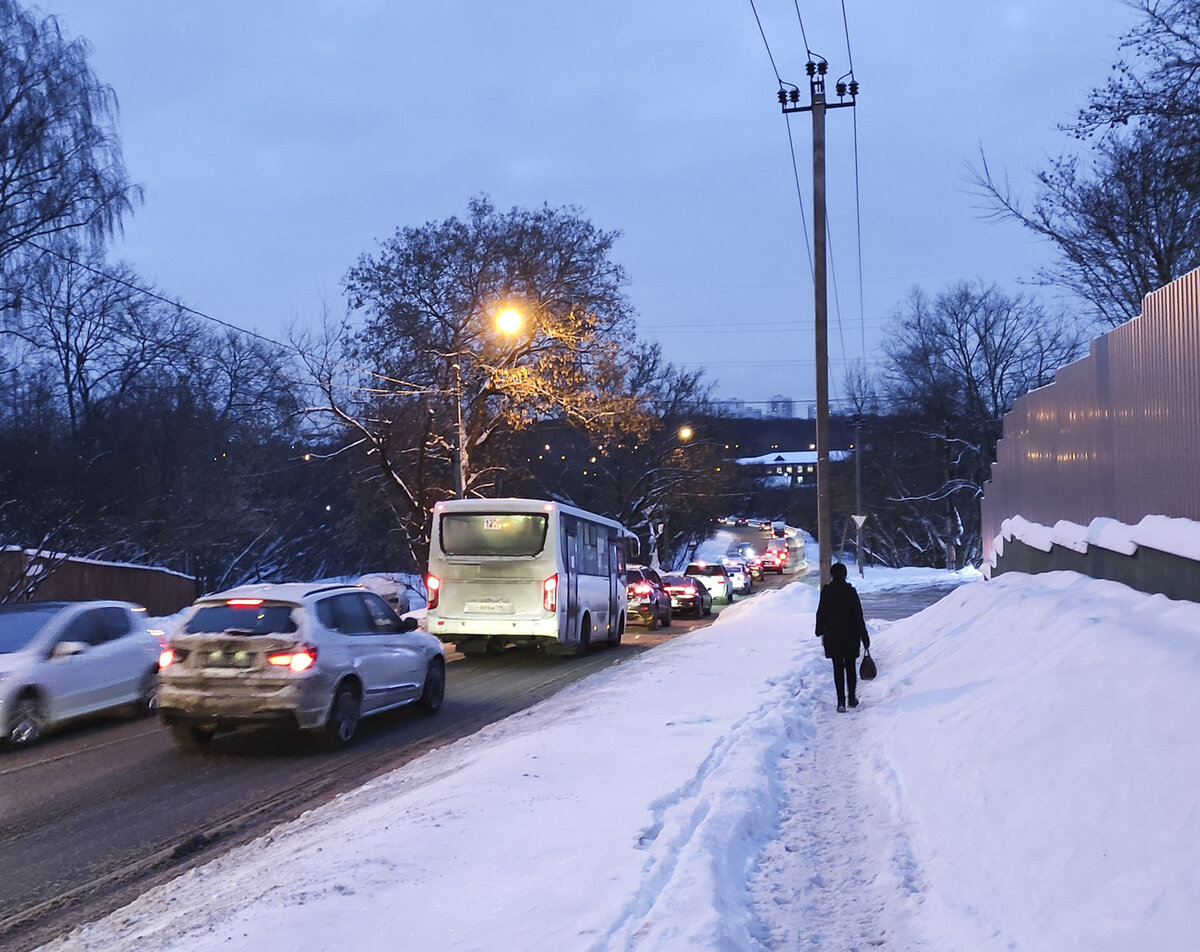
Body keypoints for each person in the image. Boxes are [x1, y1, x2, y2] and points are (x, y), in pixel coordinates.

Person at [815, 561, 870, 712]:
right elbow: (858, 616)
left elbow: (821, 613)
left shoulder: (827, 592)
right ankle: (852, 699)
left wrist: (819, 629)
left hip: (833, 636)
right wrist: (864, 637)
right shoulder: (850, 592)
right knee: (851, 667)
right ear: (845, 575)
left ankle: (840, 702)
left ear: (832, 575)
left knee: (837, 668)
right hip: (851, 636)